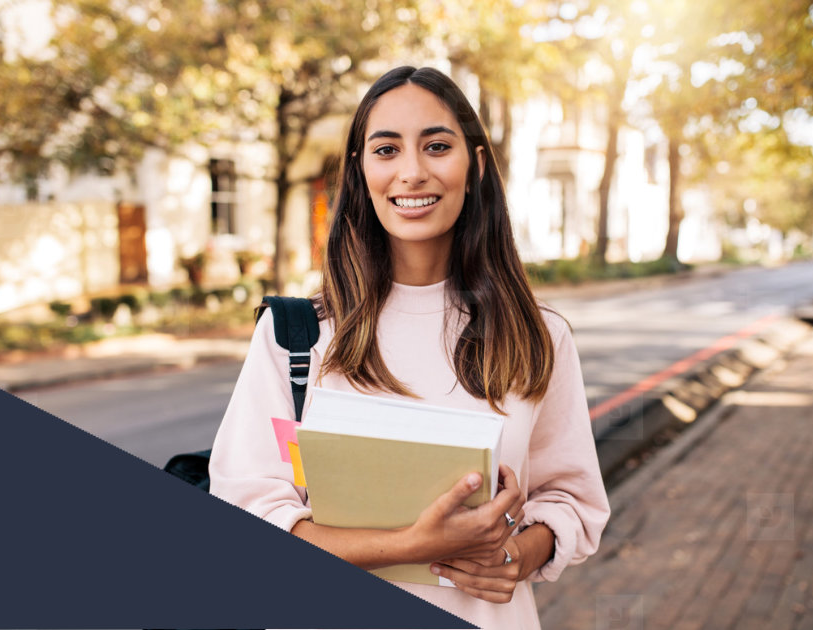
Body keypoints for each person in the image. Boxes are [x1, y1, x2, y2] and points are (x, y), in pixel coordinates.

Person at [209, 66, 610, 629]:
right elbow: (249, 514)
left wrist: (518, 557)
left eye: (437, 146)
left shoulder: (537, 336)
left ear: (473, 166)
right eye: (387, 149)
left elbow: (569, 498)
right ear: (361, 170)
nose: (412, 173)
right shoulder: (295, 336)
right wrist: (408, 543)